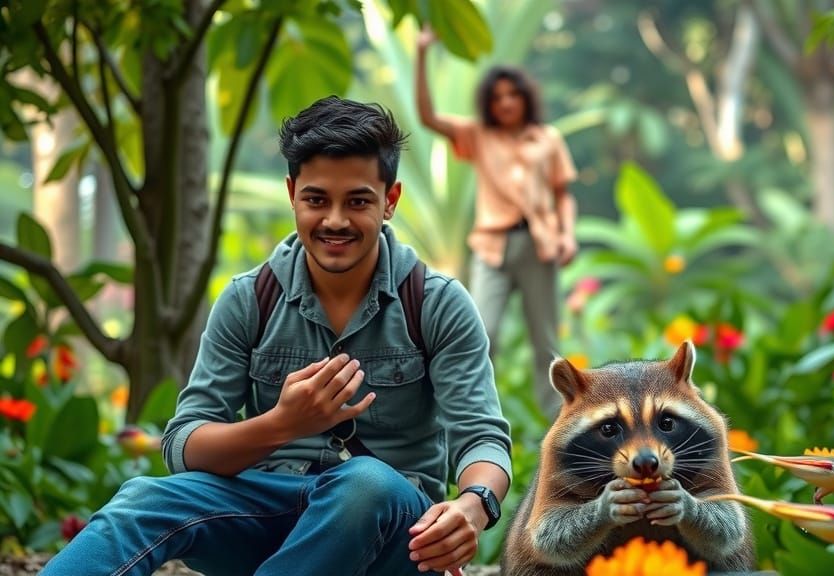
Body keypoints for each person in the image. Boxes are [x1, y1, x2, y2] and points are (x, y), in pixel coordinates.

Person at [41, 97, 512, 576]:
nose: (334, 220)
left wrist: (472, 506)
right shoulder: (250, 299)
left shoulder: (435, 302)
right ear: (292, 194)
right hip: (268, 517)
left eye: (358, 201)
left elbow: (483, 438)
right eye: (315, 199)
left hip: (394, 533)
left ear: (389, 200)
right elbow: (184, 443)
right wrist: (282, 425)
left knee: (366, 484)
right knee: (144, 498)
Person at [415, 28, 578, 420]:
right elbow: (428, 117)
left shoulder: (547, 139)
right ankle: (471, 416)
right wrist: (421, 54)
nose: (506, 103)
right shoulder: (478, 135)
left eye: (513, 94)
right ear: (489, 103)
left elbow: (563, 193)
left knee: (547, 341)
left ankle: (557, 426)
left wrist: (567, 235)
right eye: (498, 96)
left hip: (539, 244)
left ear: (525, 97)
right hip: (492, 245)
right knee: (481, 331)